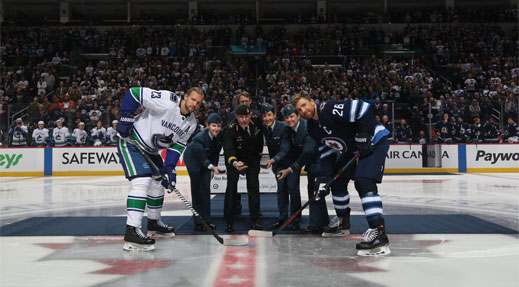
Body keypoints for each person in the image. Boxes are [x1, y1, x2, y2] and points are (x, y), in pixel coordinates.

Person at [292, 92, 391, 256]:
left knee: (363, 181)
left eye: (303, 105)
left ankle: (379, 233)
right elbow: (326, 153)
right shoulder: (312, 128)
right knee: (336, 182)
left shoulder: (329, 109)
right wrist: (323, 180)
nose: (302, 111)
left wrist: (365, 134)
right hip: (353, 150)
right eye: (299, 110)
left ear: (311, 101)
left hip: (374, 141)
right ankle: (342, 223)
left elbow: (363, 108)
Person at [116, 87, 204, 251]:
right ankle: (132, 232)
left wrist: (169, 168)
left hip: (151, 151)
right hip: (131, 142)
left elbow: (177, 145)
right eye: (193, 100)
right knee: (142, 181)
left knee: (158, 182)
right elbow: (134, 93)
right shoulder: (168, 100)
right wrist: (126, 118)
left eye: (198, 103)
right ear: (185, 97)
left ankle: (153, 223)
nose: (195, 104)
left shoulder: (191, 124)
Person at [276, 104, 327, 234]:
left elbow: (307, 153)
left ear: (298, 116)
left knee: (315, 192)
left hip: (319, 161)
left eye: (292, 116)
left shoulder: (307, 128)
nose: (289, 120)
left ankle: (317, 224)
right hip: (312, 164)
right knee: (314, 192)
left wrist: (290, 169)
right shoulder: (290, 130)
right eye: (286, 118)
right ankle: (319, 223)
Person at [222, 104, 264, 232]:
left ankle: (255, 220)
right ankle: (229, 221)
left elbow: (259, 142)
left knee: (254, 189)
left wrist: (257, 159)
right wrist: (234, 163)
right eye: (241, 117)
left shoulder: (256, 123)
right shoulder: (229, 129)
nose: (244, 119)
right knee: (231, 190)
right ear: (236, 116)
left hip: (251, 160)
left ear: (251, 115)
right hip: (235, 161)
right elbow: (228, 151)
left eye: (246, 116)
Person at [260, 103, 301, 230]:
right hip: (278, 165)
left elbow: (285, 149)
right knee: (281, 191)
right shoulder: (264, 127)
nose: (267, 118)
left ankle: (295, 219)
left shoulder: (284, 128)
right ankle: (282, 218)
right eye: (265, 116)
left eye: (269, 115)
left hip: (291, 164)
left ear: (275, 115)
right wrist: (274, 164)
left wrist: (272, 160)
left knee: (293, 189)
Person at [184, 113, 225, 232]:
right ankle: (198, 222)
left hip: (207, 162)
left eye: (218, 126)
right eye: (213, 126)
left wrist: (214, 167)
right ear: (207, 125)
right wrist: (211, 167)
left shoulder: (220, 135)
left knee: (206, 191)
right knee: (197, 191)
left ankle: (207, 221)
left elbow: (216, 152)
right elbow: (203, 158)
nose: (216, 129)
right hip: (193, 161)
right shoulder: (199, 139)